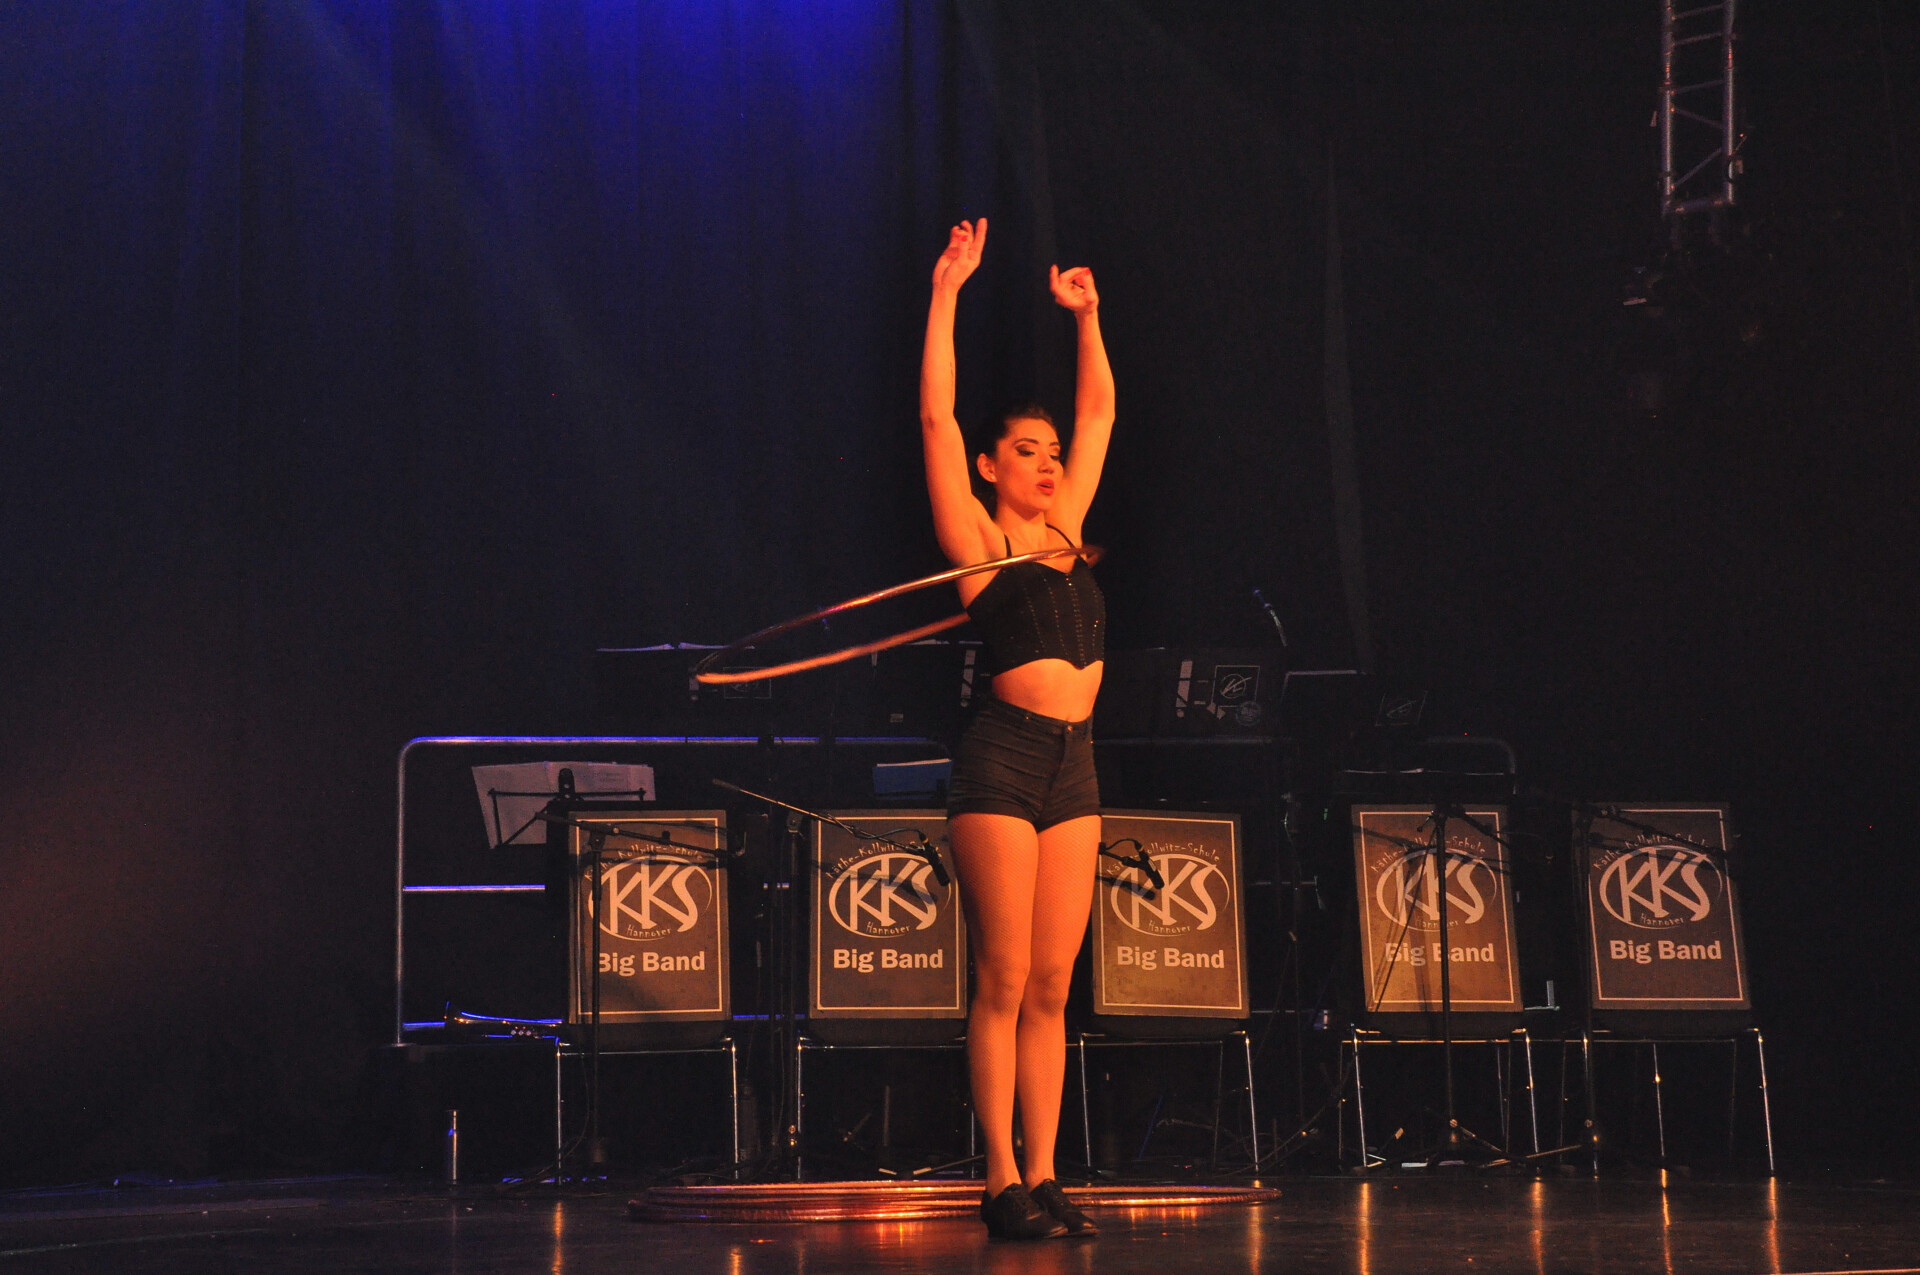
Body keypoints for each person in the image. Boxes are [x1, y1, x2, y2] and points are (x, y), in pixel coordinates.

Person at [919, 217, 1113, 1240]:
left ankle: (1045, 1173)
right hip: (1001, 761)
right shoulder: (980, 541)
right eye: (1025, 452)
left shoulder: (1070, 527)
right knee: (1000, 975)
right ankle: (997, 1177)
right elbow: (937, 418)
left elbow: (1100, 411)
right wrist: (948, 291)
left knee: (1052, 981)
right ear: (992, 468)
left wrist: (1087, 318)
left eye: (1051, 453)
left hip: (1075, 767)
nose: (1047, 462)